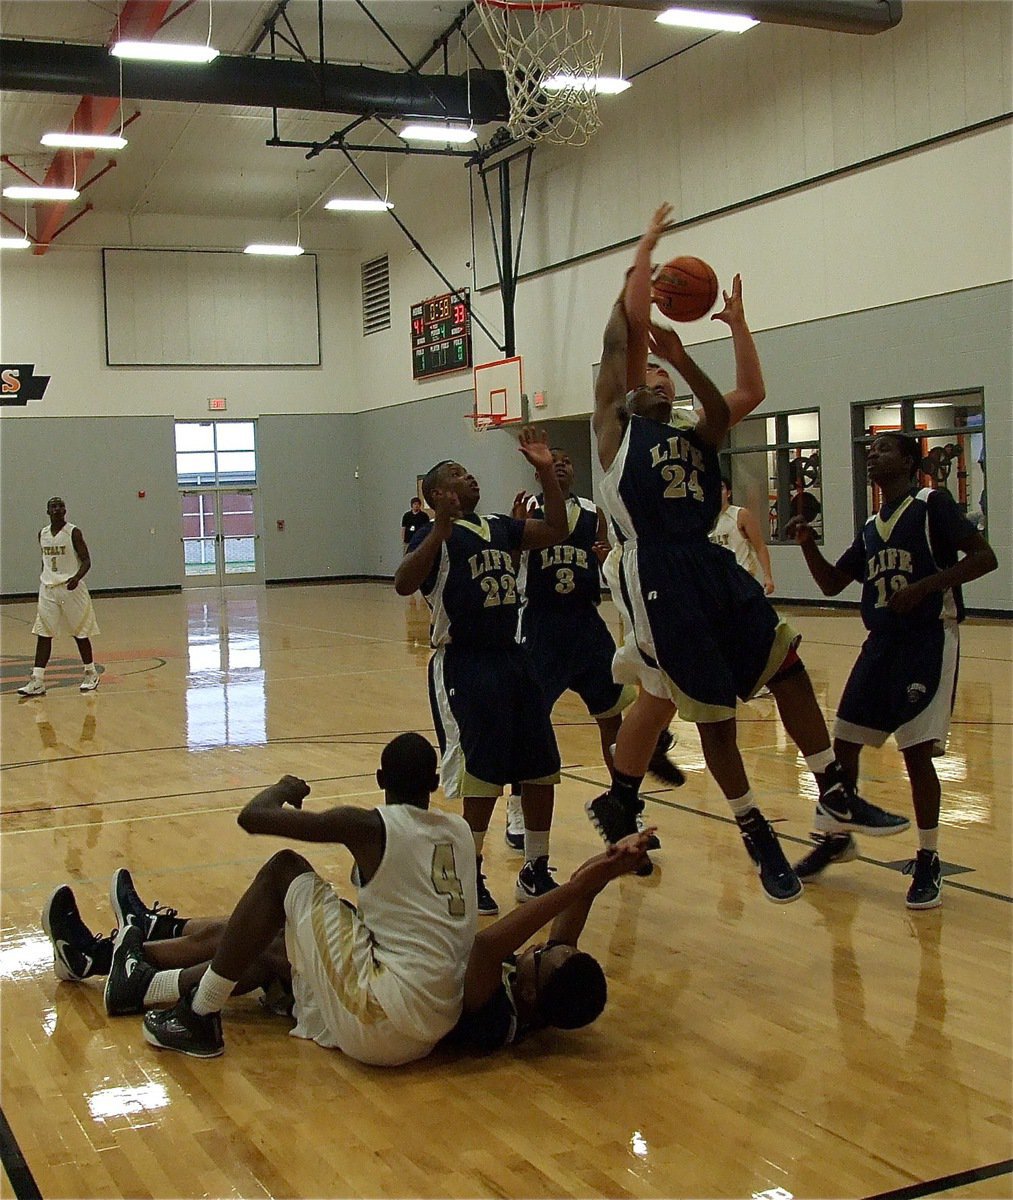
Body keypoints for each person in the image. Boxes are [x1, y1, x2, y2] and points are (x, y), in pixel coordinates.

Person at [587, 203, 909, 904]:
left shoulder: (692, 431)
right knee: (709, 713)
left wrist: (729, 331)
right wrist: (645, 250)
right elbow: (625, 333)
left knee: (788, 668)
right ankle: (753, 829)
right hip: (655, 573)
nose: (657, 382)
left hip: (708, 566)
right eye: (650, 374)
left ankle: (834, 791)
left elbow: (747, 393)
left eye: (666, 381)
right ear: (629, 383)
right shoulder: (613, 430)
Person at [40, 737, 656, 1061]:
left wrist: (285, 785)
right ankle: (130, 954)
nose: (539, 952)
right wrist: (606, 866)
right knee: (275, 937)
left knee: (283, 879)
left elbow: (255, 819)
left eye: (540, 961)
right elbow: (565, 932)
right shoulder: (536, 987)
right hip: (388, 995)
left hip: (383, 1017)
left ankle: (185, 1007)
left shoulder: (496, 1014)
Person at [787, 432, 998, 908]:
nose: (872, 454)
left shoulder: (932, 504)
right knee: (843, 740)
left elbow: (986, 558)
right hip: (881, 642)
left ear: (907, 460)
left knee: (917, 752)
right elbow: (830, 584)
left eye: (883, 449)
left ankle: (928, 859)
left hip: (928, 639)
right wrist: (806, 543)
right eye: (869, 449)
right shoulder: (870, 528)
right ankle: (838, 837)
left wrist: (927, 587)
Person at [394, 428, 569, 915]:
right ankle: (470, 871)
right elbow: (404, 583)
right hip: (465, 662)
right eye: (455, 475)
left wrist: (544, 475)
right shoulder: (431, 535)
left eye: (467, 472)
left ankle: (535, 868)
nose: (467, 477)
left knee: (540, 766)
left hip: (512, 657)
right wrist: (441, 531)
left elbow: (555, 529)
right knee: (482, 773)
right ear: (434, 497)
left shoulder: (498, 526)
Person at [506, 449, 685, 868]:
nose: (563, 464)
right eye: (555, 461)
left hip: (585, 623)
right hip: (542, 626)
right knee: (532, 724)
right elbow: (512, 566)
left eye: (567, 460)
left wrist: (605, 560)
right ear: (540, 470)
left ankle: (624, 805)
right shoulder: (525, 510)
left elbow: (604, 556)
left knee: (612, 719)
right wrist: (515, 530)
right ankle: (517, 805)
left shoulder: (592, 513)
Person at [17, 496, 101, 696]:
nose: (57, 509)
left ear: (65, 510)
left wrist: (77, 577)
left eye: (60, 505)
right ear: (47, 511)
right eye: (53, 506)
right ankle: (37, 680)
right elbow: (45, 561)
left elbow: (87, 560)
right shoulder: (43, 534)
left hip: (71, 587)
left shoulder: (73, 532)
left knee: (80, 632)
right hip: (48, 588)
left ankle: (91, 672)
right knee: (44, 633)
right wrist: (45, 577)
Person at [710, 476, 775, 595]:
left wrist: (767, 576)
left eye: (721, 488)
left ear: (728, 493)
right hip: (715, 582)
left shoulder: (740, 514)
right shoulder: (703, 521)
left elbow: (760, 546)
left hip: (741, 579)